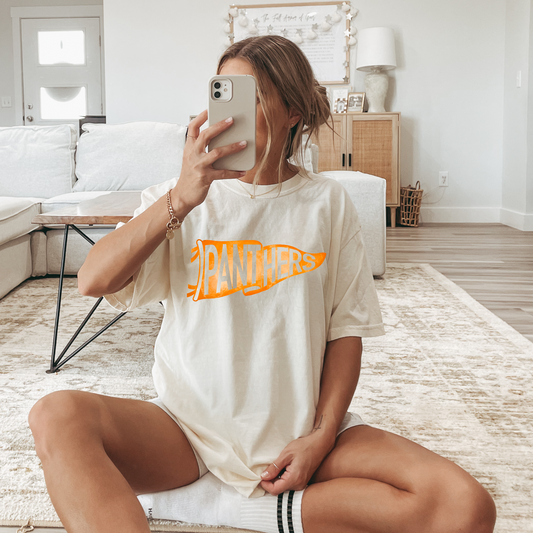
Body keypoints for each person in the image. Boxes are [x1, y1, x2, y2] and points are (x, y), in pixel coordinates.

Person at [28, 36, 496, 533]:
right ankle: (220, 494)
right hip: (186, 433)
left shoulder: (327, 203)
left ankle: (226, 506)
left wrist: (320, 437)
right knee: (56, 415)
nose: (231, 113)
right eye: (223, 93)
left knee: (464, 507)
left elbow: (346, 332)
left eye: (251, 96)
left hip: (301, 432)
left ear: (292, 110)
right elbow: (93, 280)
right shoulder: (178, 199)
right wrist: (182, 198)